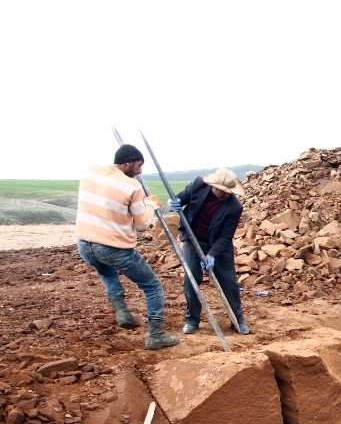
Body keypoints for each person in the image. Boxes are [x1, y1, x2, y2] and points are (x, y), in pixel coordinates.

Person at [76, 144, 180, 350]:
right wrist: (151, 205)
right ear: (128, 163)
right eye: (139, 165)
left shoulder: (91, 172)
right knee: (152, 286)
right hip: (112, 247)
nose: (140, 171)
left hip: (84, 243)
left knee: (106, 273)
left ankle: (122, 312)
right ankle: (156, 335)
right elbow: (142, 225)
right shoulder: (132, 187)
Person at [167, 168, 249, 335]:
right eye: (222, 190)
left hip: (217, 244)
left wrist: (211, 255)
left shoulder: (234, 207)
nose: (226, 194)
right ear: (213, 185)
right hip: (192, 238)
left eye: (229, 192)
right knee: (191, 279)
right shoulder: (198, 186)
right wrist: (174, 203)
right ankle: (192, 320)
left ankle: (237, 320)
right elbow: (181, 198)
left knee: (228, 281)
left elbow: (226, 237)